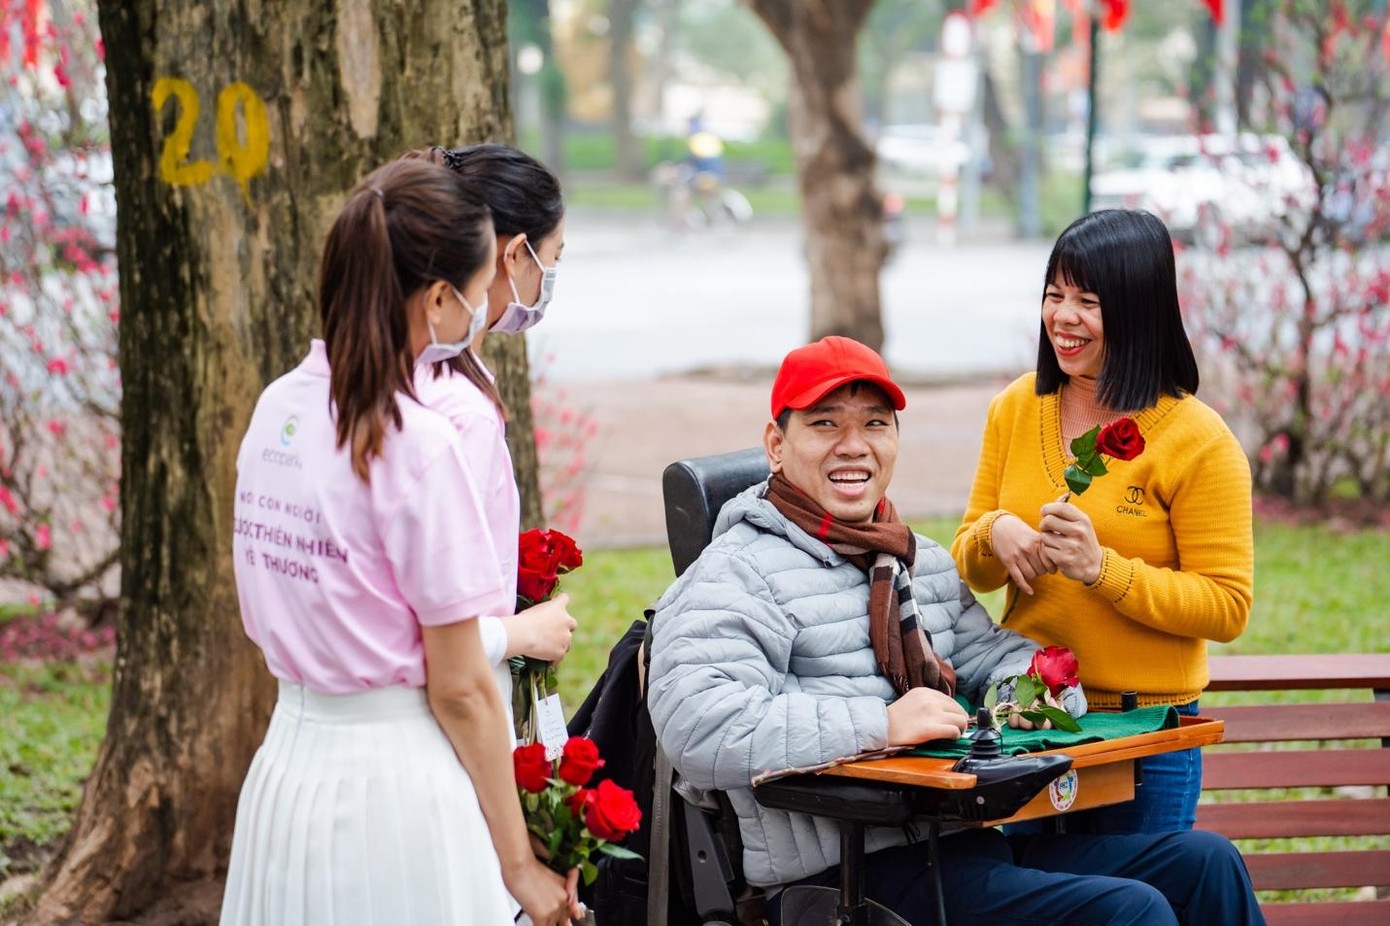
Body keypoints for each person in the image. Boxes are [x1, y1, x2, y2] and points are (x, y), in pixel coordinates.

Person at [647, 336, 1264, 926]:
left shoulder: (919, 561)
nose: (854, 445)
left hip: (959, 847)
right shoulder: (735, 572)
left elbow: (994, 654)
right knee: (1131, 913)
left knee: (1204, 865)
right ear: (776, 445)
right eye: (826, 423)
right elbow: (699, 726)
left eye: (875, 424)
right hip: (847, 879)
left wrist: (1031, 695)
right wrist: (881, 726)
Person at [222, 159, 582, 926]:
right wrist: (520, 865)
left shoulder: (277, 409)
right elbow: (458, 687)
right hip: (398, 791)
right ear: (442, 298)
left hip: (288, 770)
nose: (488, 302)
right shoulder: (418, 444)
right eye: (483, 282)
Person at [952, 209, 1254, 835]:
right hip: (1032, 720)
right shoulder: (1016, 406)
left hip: (1144, 736)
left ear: (1139, 312)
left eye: (1087, 301)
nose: (1063, 317)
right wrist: (994, 532)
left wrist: (1103, 570)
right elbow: (969, 560)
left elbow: (1226, 607)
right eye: (1054, 295)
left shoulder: (1198, 440)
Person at [401, 143, 572, 733]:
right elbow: (433, 622)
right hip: (452, 708)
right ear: (516, 253)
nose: (551, 279)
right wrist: (523, 632)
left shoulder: (403, 377)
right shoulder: (460, 412)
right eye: (554, 258)